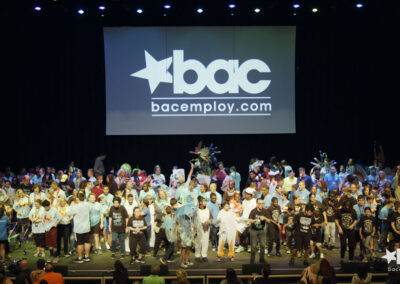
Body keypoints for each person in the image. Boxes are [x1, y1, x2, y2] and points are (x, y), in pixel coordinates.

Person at [68, 192, 91, 263]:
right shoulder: (87, 204)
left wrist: (72, 205)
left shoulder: (75, 207)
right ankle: (86, 257)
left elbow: (69, 213)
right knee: (87, 241)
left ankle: (80, 258)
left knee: (79, 243)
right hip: (87, 227)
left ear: (77, 198)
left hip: (79, 229)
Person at [248, 198, 268, 264]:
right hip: (253, 230)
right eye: (259, 203)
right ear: (257, 204)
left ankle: (261, 259)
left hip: (261, 230)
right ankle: (252, 260)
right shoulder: (253, 211)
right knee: (253, 246)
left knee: (262, 245)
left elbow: (269, 221)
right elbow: (249, 220)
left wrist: (264, 218)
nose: (261, 205)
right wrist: (256, 220)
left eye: (262, 203)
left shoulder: (265, 211)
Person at [194, 196, 212, 262]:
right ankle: (197, 255)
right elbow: (193, 220)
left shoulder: (208, 210)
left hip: (206, 228)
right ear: (200, 202)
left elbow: (211, 219)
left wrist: (208, 222)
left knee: (205, 241)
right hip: (198, 228)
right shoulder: (196, 210)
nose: (205, 203)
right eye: (204, 201)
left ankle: (204, 255)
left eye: (205, 201)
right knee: (198, 242)